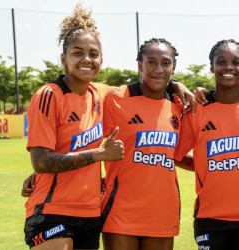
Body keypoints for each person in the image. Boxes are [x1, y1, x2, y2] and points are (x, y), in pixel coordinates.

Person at [23, 4, 125, 250]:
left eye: (93, 53)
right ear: (64, 58)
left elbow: (144, 91)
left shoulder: (102, 94)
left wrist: (175, 84)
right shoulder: (49, 95)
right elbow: (41, 162)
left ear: (101, 59)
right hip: (52, 210)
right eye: (77, 53)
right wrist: (98, 155)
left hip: (91, 213)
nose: (86, 59)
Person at [174, 39, 239, 250]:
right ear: (211, 66)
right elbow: (175, 155)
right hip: (209, 218)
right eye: (221, 61)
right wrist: (205, 164)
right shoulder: (198, 109)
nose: (228, 66)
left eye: (236, 62)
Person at [100, 38, 194, 250]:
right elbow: (84, 138)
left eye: (166, 63)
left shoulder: (179, 105)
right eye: (151, 62)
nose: (158, 69)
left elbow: (174, 155)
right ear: (140, 65)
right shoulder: (116, 99)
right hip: (120, 209)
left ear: (174, 67)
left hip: (162, 211)